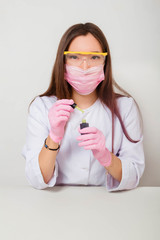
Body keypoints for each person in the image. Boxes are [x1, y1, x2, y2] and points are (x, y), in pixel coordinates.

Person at [22, 22, 145, 191]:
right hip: (57, 205)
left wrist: (105, 156)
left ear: (105, 61)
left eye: (94, 57)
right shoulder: (42, 107)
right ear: (63, 61)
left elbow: (133, 177)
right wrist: (54, 136)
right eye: (75, 57)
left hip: (107, 206)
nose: (85, 66)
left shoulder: (125, 107)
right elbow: (37, 179)